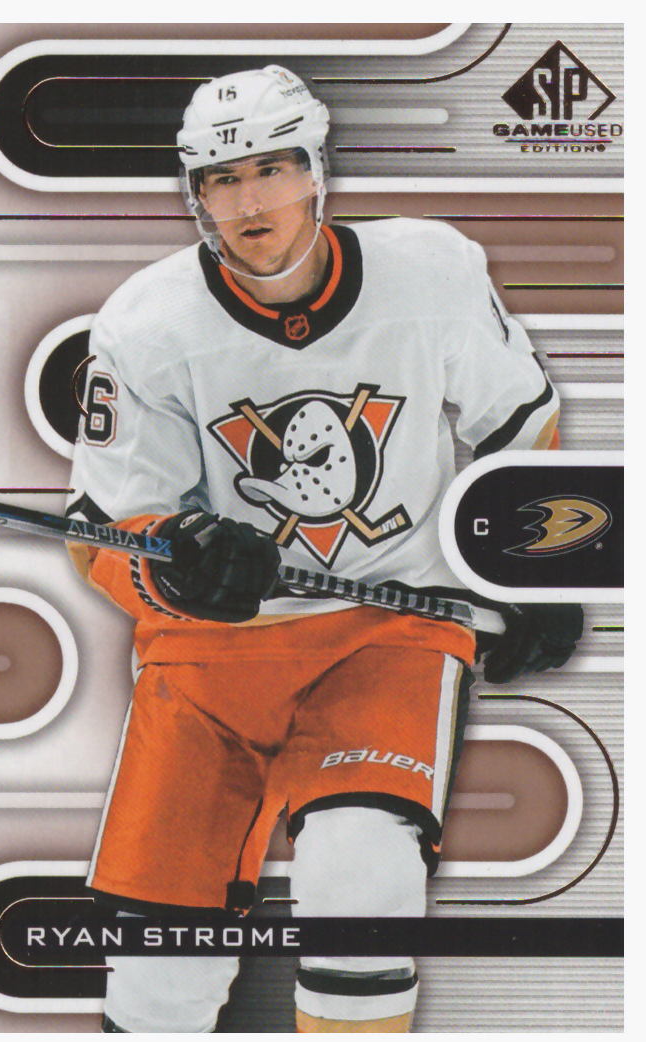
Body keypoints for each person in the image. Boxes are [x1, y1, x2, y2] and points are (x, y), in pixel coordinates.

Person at [66, 66, 582, 1034]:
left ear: (316, 170)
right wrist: (173, 562)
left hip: (387, 632)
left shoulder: (431, 271)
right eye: (222, 179)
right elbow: (100, 531)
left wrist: (532, 570)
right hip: (207, 657)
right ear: (194, 193)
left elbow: (520, 421)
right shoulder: (144, 323)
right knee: (158, 977)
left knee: (362, 883)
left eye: (272, 168)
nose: (249, 202)